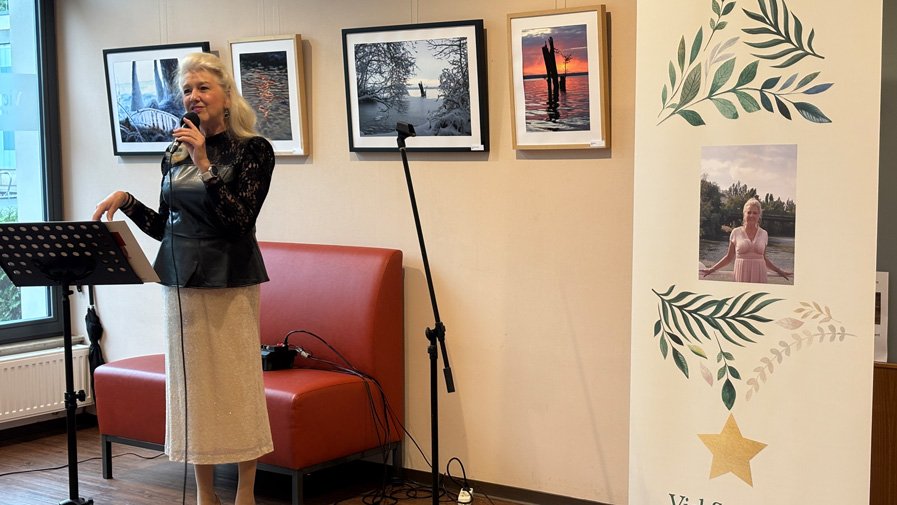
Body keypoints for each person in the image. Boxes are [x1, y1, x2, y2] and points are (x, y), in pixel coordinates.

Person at [92, 52, 275, 505]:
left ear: (226, 96)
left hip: (229, 280)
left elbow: (238, 221)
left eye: (203, 88)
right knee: (192, 388)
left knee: (236, 384)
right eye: (187, 90)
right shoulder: (172, 151)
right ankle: (204, 495)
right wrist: (128, 202)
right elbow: (166, 225)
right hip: (179, 283)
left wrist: (205, 161)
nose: (193, 97)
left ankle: (245, 493)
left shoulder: (253, 149)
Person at [700, 197, 792, 283]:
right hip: (741, 273)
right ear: (744, 214)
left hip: (760, 273)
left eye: (755, 213)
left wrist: (779, 271)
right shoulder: (735, 232)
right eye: (749, 212)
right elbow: (729, 257)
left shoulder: (764, 234)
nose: (751, 215)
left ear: (759, 215)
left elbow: (764, 258)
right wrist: (711, 269)